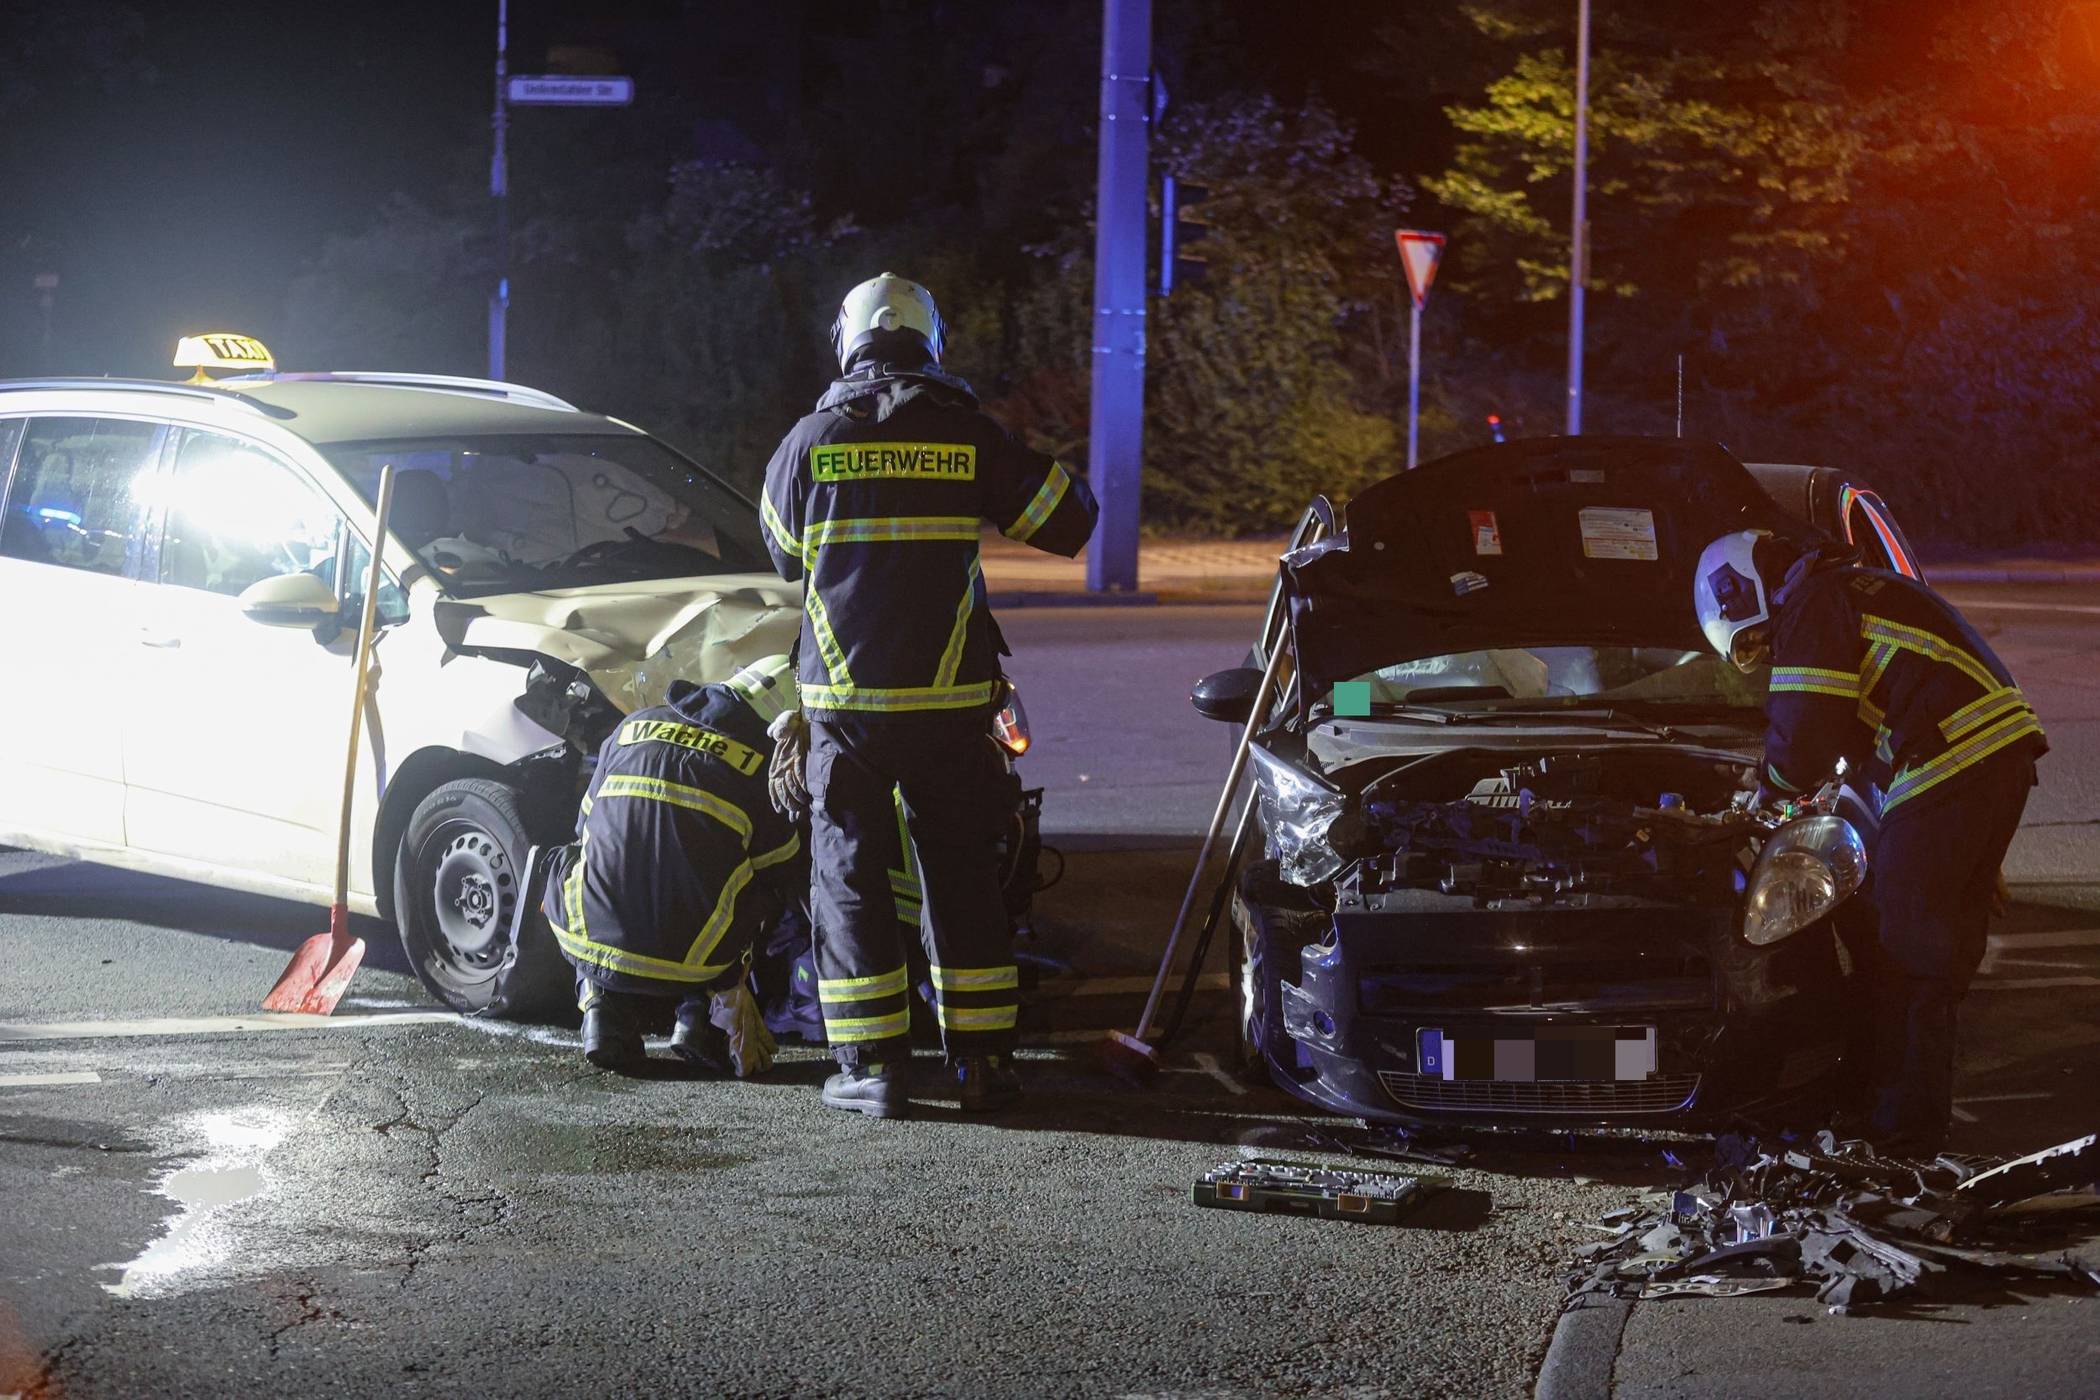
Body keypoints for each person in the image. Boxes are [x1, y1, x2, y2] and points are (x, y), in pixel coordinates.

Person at [760, 273, 1097, 1119]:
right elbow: (1071, 520)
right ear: (930, 341)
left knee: (849, 876)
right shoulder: (968, 434)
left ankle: (873, 1069)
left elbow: (781, 553)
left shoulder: (807, 441)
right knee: (961, 874)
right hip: (949, 704)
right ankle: (983, 1067)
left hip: (846, 710)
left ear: (848, 343)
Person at [1694, 529, 2045, 1152]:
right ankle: (1896, 1109)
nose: (1766, 655)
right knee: (1930, 945)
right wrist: (1966, 840)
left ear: (1741, 591)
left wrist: (1764, 787)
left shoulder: (1813, 604)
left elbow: (1804, 735)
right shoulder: (1843, 594)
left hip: (1946, 757)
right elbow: (1854, 746)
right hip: (1980, 758)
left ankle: (1901, 1131)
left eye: (1755, 642)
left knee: (1905, 948)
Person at [542, 654, 805, 1076]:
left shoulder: (632, 726)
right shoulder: (761, 764)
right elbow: (786, 873)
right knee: (758, 888)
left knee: (568, 859)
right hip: (700, 959)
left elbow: (584, 825)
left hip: (592, 940)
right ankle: (700, 1017)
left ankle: (601, 1011)